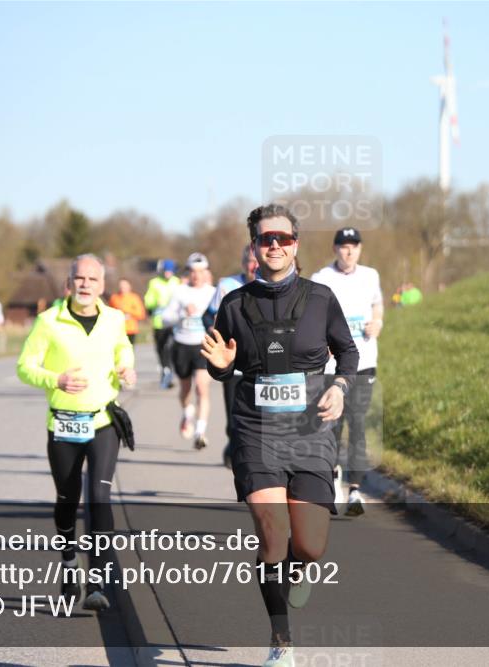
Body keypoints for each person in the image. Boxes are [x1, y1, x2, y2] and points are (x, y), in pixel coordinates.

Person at [202, 204, 357, 667]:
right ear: (253, 247)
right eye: (265, 239)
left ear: (296, 245)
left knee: (309, 545)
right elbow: (217, 362)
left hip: (310, 431)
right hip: (257, 430)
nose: (274, 246)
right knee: (272, 535)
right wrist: (219, 367)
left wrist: (342, 387)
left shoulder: (321, 298)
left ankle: (300, 565)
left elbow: (347, 352)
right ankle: (280, 642)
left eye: (283, 239)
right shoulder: (233, 304)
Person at [17, 254, 136, 612]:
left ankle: (97, 580)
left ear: (102, 285)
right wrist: (56, 379)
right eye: (79, 278)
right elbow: (25, 367)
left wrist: (126, 367)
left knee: (99, 498)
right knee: (67, 499)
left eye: (92, 279)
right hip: (64, 422)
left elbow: (123, 348)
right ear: (69, 283)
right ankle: (69, 561)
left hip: (103, 422)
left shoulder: (115, 319)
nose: (85, 284)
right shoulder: (48, 322)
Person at [311, 227, 383, 516]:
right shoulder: (321, 278)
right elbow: (312, 315)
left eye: (354, 245)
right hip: (332, 365)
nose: (349, 251)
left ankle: (355, 490)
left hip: (364, 360)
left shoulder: (371, 275)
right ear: (335, 249)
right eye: (343, 246)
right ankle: (330, 481)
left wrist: (378, 323)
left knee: (358, 423)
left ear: (360, 249)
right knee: (331, 425)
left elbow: (377, 305)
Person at [203, 244, 259, 467]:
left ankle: (247, 453)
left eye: (257, 261)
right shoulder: (227, 285)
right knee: (234, 414)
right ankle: (234, 445)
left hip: (261, 365)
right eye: (250, 261)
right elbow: (207, 316)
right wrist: (214, 330)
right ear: (243, 263)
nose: (254, 266)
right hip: (233, 363)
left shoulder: (270, 287)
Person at [160, 253, 217, 450]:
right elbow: (165, 318)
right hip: (182, 344)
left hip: (204, 345)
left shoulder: (213, 292)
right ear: (188, 273)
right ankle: (187, 413)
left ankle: (200, 432)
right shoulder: (180, 292)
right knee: (185, 389)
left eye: (201, 272)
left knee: (202, 387)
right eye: (193, 272)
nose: (197, 276)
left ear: (206, 273)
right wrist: (182, 313)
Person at [144, 259, 181, 389]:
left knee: (169, 347)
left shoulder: (177, 282)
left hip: (174, 321)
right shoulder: (154, 283)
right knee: (160, 349)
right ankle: (165, 370)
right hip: (159, 322)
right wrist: (155, 302)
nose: (167, 273)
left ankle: (169, 370)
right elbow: (148, 301)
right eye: (166, 271)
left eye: (170, 271)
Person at [108, 278, 147, 346]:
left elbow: (141, 314)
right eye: (121, 285)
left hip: (131, 330)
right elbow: (109, 314)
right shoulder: (114, 298)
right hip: (118, 330)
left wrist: (127, 311)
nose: (122, 287)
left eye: (124, 285)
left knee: (129, 351)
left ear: (129, 286)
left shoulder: (134, 298)